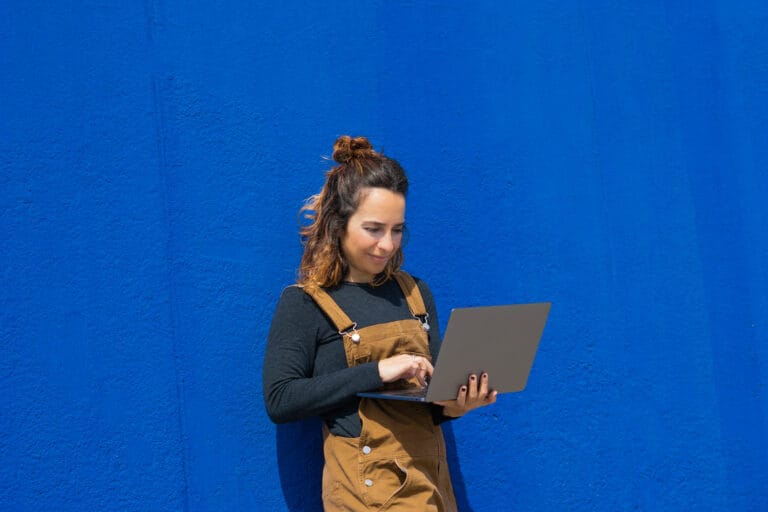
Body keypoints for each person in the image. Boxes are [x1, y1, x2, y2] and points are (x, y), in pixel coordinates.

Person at [263, 135, 497, 511]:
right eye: (373, 229)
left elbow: (430, 404)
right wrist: (380, 370)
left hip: (430, 489)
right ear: (339, 224)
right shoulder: (306, 302)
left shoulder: (415, 294)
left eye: (397, 229)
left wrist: (459, 404)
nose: (387, 245)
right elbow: (280, 399)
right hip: (364, 495)